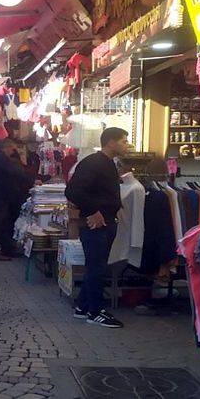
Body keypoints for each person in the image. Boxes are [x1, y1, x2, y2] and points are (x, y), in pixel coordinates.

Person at [65, 127, 128, 329]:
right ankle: (95, 311)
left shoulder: (108, 163)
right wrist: (94, 210)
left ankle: (83, 306)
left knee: (97, 266)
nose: (127, 145)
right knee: (96, 268)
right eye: (123, 141)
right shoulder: (93, 163)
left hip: (106, 222)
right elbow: (73, 191)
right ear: (111, 142)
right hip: (95, 225)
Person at [0, 139, 29, 261]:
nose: (13, 152)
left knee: (2, 223)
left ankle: (6, 249)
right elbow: (13, 171)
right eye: (13, 149)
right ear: (6, 147)